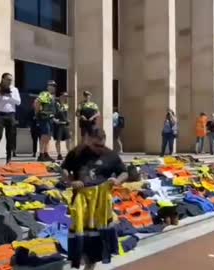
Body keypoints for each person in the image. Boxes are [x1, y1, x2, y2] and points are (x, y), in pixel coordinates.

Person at [61, 128, 128, 270]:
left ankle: (90, 265)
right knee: (81, 234)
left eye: (101, 145)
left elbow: (124, 172)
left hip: (101, 202)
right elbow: (65, 168)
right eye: (96, 145)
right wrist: (70, 180)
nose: (99, 149)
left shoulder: (110, 155)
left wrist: (117, 180)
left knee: (97, 237)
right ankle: (85, 261)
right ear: (87, 139)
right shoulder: (76, 153)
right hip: (81, 200)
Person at [0, 73, 21, 165]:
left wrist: (10, 96)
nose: (9, 81)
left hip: (11, 115)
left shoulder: (14, 89)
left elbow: (18, 102)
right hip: (0, 115)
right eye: (8, 79)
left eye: (11, 79)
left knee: (10, 137)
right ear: (3, 79)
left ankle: (8, 160)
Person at [34, 80, 57, 162]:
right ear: (47, 86)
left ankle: (46, 154)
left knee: (48, 137)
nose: (52, 87)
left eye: (54, 86)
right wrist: (38, 114)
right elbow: (37, 102)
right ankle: (41, 154)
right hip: (44, 118)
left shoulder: (52, 96)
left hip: (50, 119)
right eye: (50, 85)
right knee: (44, 136)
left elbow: (52, 109)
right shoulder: (45, 94)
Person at [53, 92, 71, 160]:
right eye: (64, 96)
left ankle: (69, 153)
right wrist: (55, 120)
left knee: (68, 139)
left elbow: (66, 114)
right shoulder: (56, 104)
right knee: (58, 140)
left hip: (65, 124)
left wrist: (68, 120)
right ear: (60, 96)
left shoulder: (66, 105)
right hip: (58, 125)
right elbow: (52, 114)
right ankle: (59, 154)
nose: (65, 98)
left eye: (66, 96)